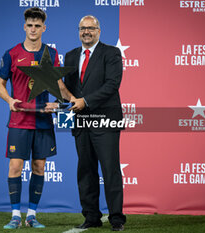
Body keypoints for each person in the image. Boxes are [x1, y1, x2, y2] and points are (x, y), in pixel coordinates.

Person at [0, 7, 73, 229]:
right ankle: (14, 216)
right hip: (19, 121)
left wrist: (67, 101)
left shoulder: (52, 54)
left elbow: (59, 86)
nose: (33, 29)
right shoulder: (11, 54)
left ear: (44, 28)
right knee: (15, 167)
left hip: (43, 121)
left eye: (37, 26)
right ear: (24, 26)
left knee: (39, 167)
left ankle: (31, 216)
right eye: (30, 25)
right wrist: (9, 100)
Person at [64, 15, 126, 231]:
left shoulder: (111, 53)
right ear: (78, 31)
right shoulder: (70, 56)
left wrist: (86, 101)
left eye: (90, 28)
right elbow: (68, 91)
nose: (86, 32)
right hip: (80, 122)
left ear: (99, 31)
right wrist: (57, 104)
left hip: (105, 120)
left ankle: (116, 218)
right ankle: (91, 216)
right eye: (82, 28)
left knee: (110, 170)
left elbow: (112, 84)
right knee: (86, 170)